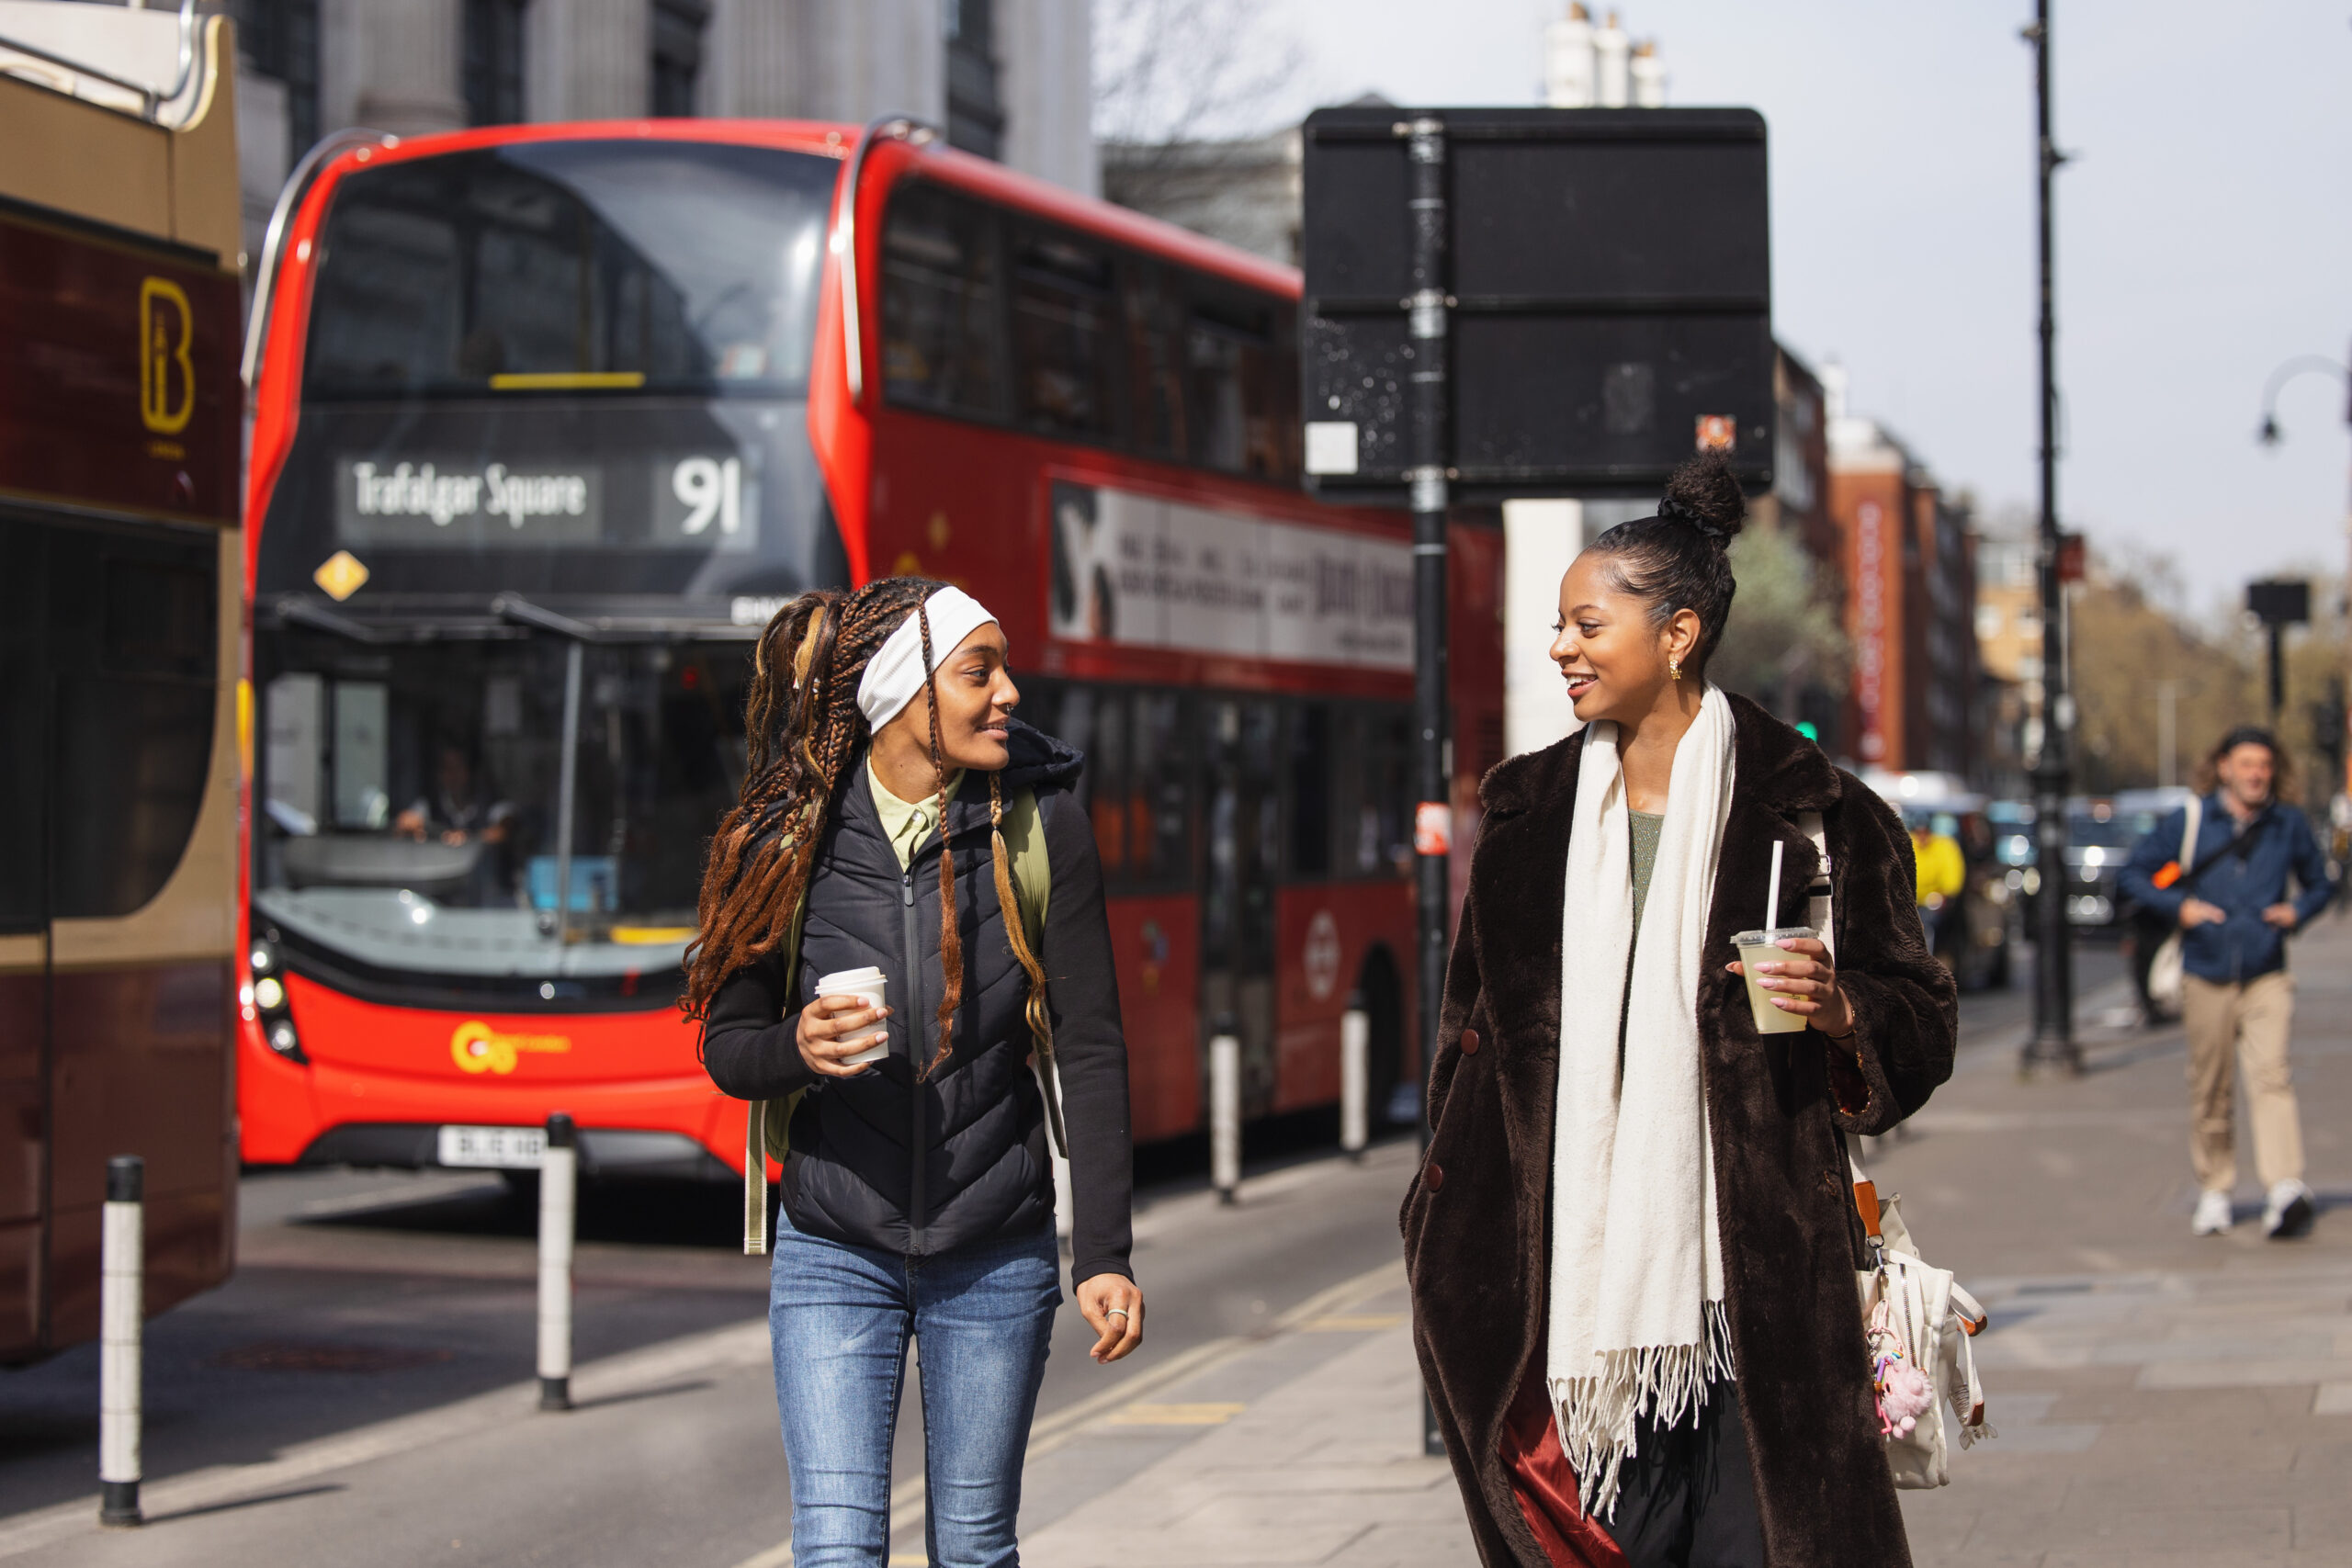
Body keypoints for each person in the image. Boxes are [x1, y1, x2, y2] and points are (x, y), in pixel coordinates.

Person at [1404, 453, 1958, 1568]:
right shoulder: (1526, 815)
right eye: (1559, 625)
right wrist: (1437, 1215)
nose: (1560, 647)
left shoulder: (1817, 818)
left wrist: (1843, 1009)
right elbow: (1467, 1042)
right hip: (1558, 1300)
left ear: (1676, 634)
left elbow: (1921, 1020)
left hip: (1755, 1291)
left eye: (1585, 624)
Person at [686, 579, 1140, 1568]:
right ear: (900, 697)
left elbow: (1090, 1044)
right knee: (838, 1550)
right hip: (833, 1249)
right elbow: (727, 1046)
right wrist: (793, 1046)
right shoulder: (789, 838)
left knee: (972, 1551)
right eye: (979, 672)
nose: (1009, 692)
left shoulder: (1040, 824)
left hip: (993, 1247)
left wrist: (1102, 1254)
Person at [2117, 727, 2334, 1240]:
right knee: (2210, 1087)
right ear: (2224, 769)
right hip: (2206, 972)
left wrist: (2297, 910)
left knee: (2272, 1076)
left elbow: (2323, 882)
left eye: (2265, 765)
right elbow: (2134, 874)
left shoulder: (2288, 824)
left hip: (2267, 972)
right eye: (2247, 764)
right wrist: (2181, 908)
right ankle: (2216, 1188)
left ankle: (2283, 1187)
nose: (2257, 774)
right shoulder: (2193, 820)